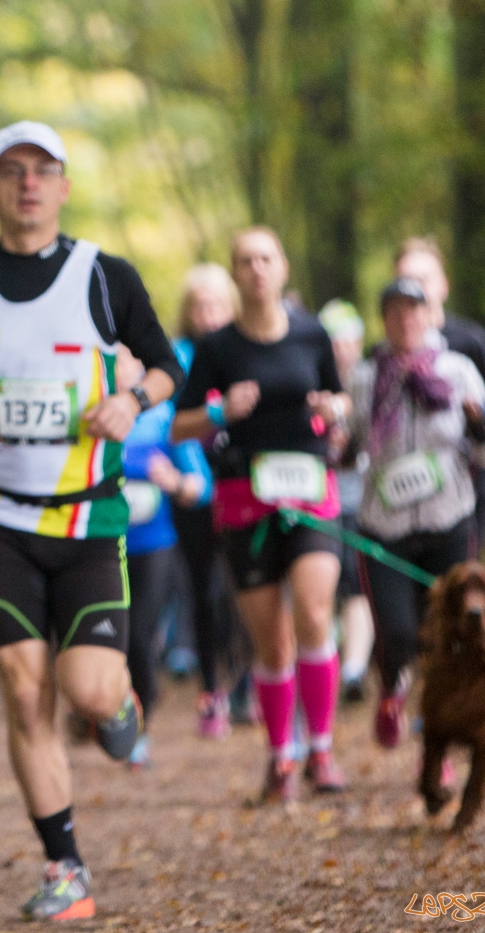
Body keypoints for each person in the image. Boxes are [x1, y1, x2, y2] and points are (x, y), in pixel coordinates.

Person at [0, 120, 182, 922]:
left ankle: (120, 704)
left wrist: (132, 400)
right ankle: (65, 865)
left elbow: (168, 365)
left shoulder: (104, 277)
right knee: (22, 688)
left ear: (63, 186)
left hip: (89, 520)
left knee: (88, 689)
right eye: (11, 170)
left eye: (43, 170)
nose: (28, 183)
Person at [172, 228, 350, 802]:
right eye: (244, 261)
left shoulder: (311, 333)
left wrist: (334, 408)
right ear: (234, 272)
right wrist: (221, 411)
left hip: (310, 491)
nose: (256, 270)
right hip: (244, 500)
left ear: (282, 266)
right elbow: (179, 424)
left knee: (316, 613)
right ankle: (281, 759)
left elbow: (341, 400)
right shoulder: (218, 348)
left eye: (265, 259)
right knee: (272, 643)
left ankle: (321, 749)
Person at [349, 277, 485, 748]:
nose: (405, 320)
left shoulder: (457, 372)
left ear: (430, 314)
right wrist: (337, 440)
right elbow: (350, 452)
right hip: (385, 529)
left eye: (414, 310)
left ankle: (439, 734)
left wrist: (478, 424)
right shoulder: (365, 378)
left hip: (448, 524)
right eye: (395, 312)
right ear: (384, 321)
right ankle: (393, 687)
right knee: (398, 634)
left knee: (450, 638)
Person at [115, 344, 210, 770]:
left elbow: (199, 486)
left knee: (139, 635)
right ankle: (103, 706)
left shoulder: (165, 419)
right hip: (99, 547)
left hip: (155, 545)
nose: (119, 366)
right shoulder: (88, 415)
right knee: (105, 638)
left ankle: (140, 728)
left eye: (126, 358)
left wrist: (173, 481)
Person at [393, 238, 485, 548]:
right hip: (402, 493)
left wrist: (474, 423)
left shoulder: (468, 340)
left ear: (443, 286)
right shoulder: (385, 354)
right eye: (405, 281)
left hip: (468, 484)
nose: (416, 289)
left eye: (423, 279)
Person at [170, 264, 238, 737]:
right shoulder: (177, 358)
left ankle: (250, 684)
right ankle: (211, 690)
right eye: (200, 305)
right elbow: (170, 427)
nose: (208, 314)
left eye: (216, 304)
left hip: (242, 488)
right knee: (205, 592)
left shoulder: (244, 353)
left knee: (248, 592)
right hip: (194, 493)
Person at [316, 298, 375, 705]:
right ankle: (330, 661)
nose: (341, 349)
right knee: (323, 588)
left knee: (357, 585)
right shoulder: (308, 383)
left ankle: (353, 667)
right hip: (317, 501)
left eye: (347, 340)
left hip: (360, 500)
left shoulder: (371, 380)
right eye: (332, 341)